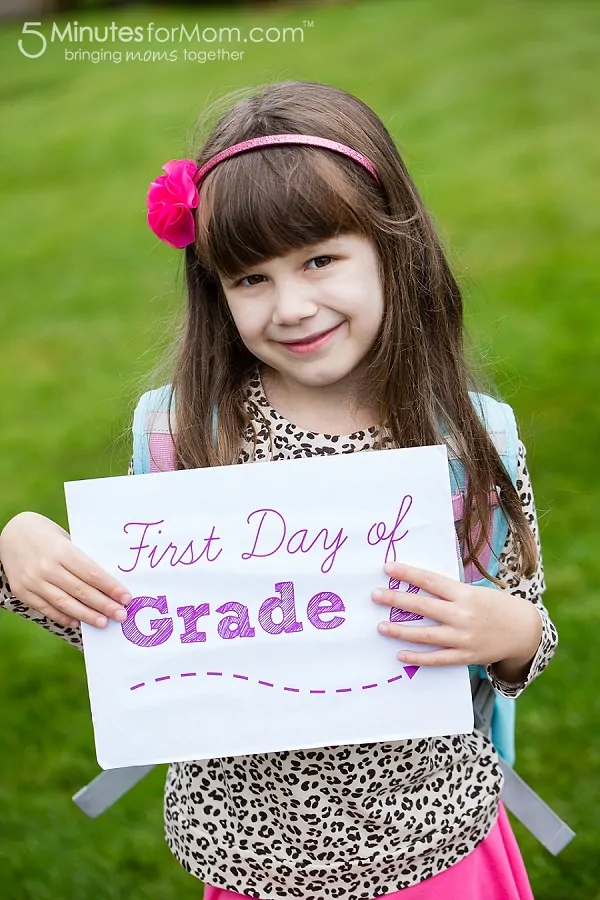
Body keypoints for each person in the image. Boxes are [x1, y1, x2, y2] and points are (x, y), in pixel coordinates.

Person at [0, 80, 558, 900]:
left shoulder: (468, 438)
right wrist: (22, 548)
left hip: (434, 839)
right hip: (254, 855)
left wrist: (505, 627)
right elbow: (143, 632)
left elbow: (525, 627)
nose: (291, 307)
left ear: (392, 248)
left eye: (321, 260)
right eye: (250, 279)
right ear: (214, 288)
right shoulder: (183, 433)